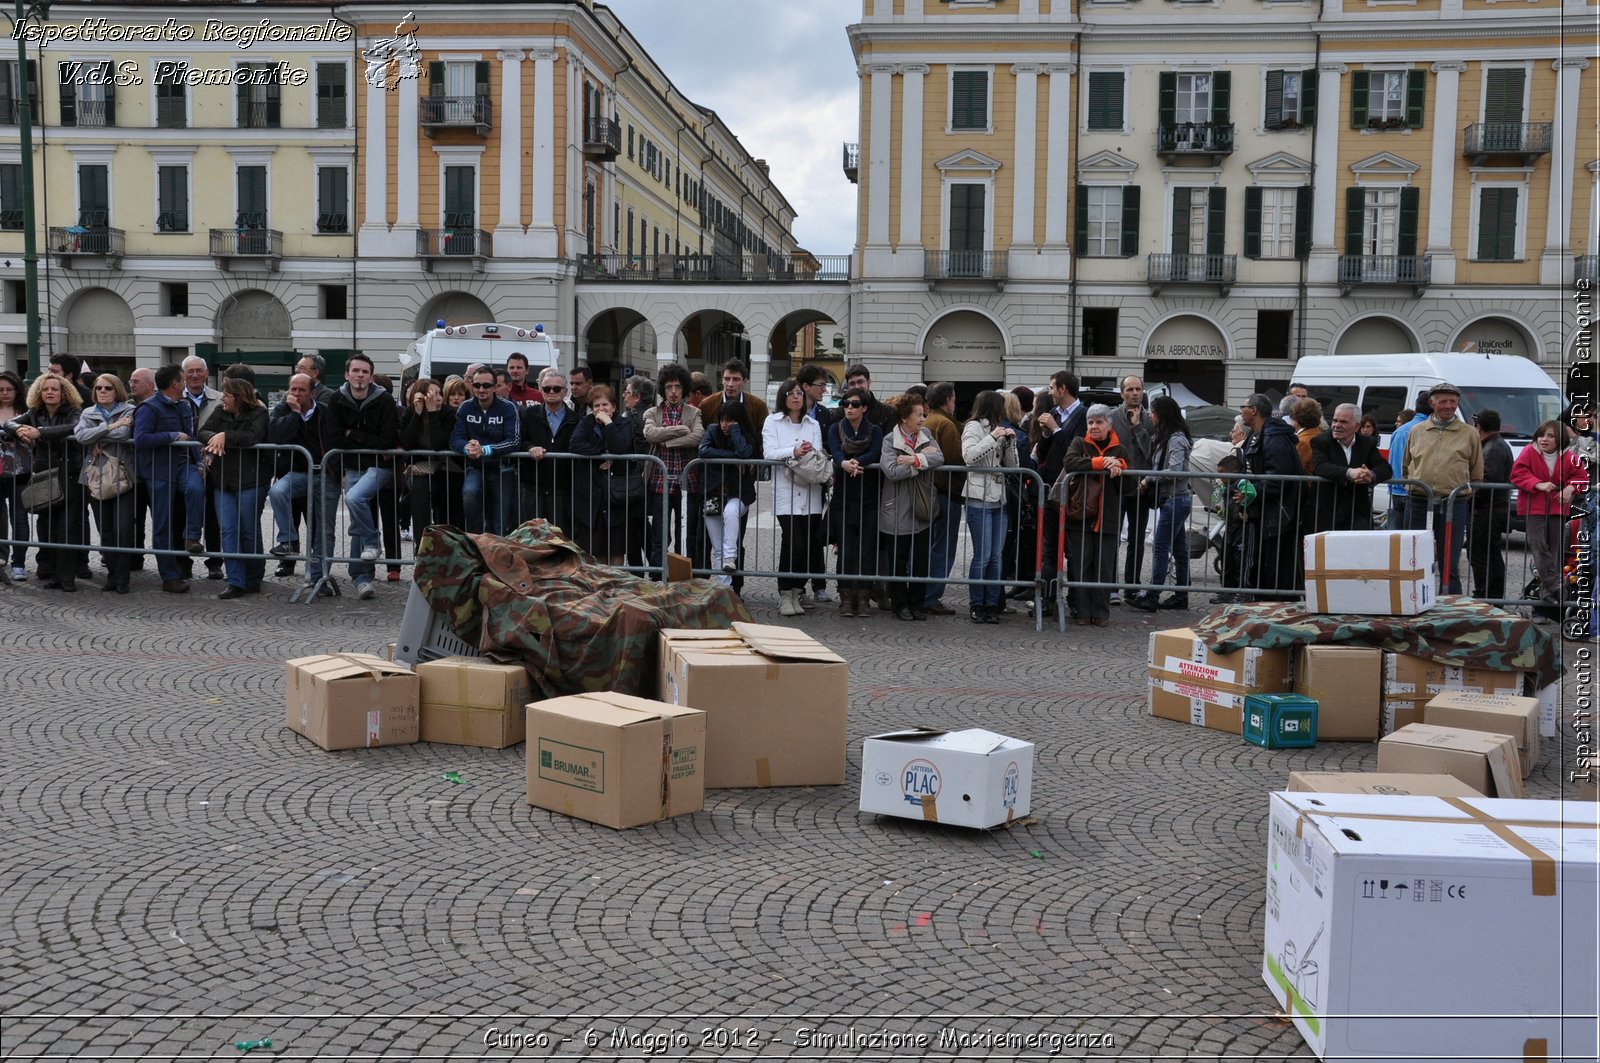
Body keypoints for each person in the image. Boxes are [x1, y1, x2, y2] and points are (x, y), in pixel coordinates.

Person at [0, 374, 84, 590]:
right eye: (45, 389)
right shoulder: (34, 413)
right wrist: (18, 429)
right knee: (48, 526)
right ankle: (55, 574)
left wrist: (40, 432)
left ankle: (67, 578)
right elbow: (9, 423)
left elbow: (74, 428)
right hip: (43, 475)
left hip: (69, 474)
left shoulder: (74, 411)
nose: (49, 392)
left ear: (63, 392)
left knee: (67, 527)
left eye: (54, 389)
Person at [328, 353, 397, 600]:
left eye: (364, 372)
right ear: (347, 375)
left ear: (370, 376)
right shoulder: (337, 400)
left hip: (379, 466)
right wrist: (366, 438)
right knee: (357, 520)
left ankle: (372, 542)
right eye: (356, 371)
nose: (360, 375)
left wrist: (353, 435)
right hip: (352, 467)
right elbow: (335, 437)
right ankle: (362, 578)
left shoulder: (384, 400)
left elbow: (386, 439)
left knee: (355, 499)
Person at [1402, 382, 1482, 595]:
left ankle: (1451, 606)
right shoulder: (1416, 431)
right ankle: (1415, 599)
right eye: (1443, 401)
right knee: (1415, 558)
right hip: (1419, 502)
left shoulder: (1469, 434)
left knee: (1450, 562)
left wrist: (1463, 492)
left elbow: (1476, 471)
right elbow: (1406, 466)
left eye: (1452, 402)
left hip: (1453, 504)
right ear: (1432, 403)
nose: (1448, 406)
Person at [133, 365, 207, 594]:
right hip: (158, 471)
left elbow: (190, 436)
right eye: (183, 379)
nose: (186, 382)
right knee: (162, 525)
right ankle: (170, 576)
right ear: (175, 383)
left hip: (182, 465)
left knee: (196, 488)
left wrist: (198, 462)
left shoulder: (183, 405)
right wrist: (172, 436)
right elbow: (141, 438)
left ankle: (192, 537)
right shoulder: (148, 407)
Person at [698, 360, 768, 589]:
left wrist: (744, 458)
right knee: (714, 541)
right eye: (727, 378)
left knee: (735, 529)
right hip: (713, 484)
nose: (730, 383)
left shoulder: (756, 405)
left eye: (736, 379)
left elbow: (754, 444)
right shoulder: (709, 404)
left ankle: (734, 586)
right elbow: (704, 446)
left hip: (739, 486)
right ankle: (722, 587)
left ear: (744, 381)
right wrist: (731, 455)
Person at [199, 378, 269, 599]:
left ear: (239, 397)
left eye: (227, 395)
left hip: (251, 479)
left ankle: (254, 577)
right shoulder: (220, 411)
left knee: (249, 530)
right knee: (228, 530)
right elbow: (203, 431)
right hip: (222, 481)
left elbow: (253, 436)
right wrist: (214, 438)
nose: (222, 398)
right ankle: (235, 580)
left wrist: (225, 436)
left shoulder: (259, 412)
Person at [1059, 404, 1129, 627]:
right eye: (1091, 422)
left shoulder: (1120, 450)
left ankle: (1101, 613)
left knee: (1104, 567)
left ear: (1109, 425)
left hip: (1108, 518)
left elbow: (1130, 486)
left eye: (1099, 422)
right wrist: (1101, 463)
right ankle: (1081, 611)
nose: (1094, 426)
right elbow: (1070, 463)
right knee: (1081, 565)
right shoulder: (1079, 443)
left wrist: (1121, 467)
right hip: (1080, 517)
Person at [763, 378, 827, 617]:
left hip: (810, 491)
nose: (796, 396)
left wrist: (810, 450)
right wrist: (794, 451)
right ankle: (785, 592)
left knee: (809, 546)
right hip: (786, 492)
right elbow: (769, 452)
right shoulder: (773, 421)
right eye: (790, 393)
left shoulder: (813, 423)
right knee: (793, 544)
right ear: (783, 397)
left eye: (799, 392)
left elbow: (819, 453)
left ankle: (798, 590)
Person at [1511, 420, 1587, 616]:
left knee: (1554, 549)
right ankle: (1555, 584)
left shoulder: (1569, 456)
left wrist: (1571, 488)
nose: (1544, 439)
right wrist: (1538, 484)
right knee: (1538, 545)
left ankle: (1547, 593)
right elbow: (1517, 474)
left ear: (1559, 439)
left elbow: (1582, 477)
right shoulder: (1529, 451)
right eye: (1542, 435)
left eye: (1550, 436)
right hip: (1533, 506)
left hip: (1557, 508)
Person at [879, 392, 944, 622]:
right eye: (918, 414)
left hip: (921, 507)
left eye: (923, 414)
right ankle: (900, 604)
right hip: (896, 508)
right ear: (905, 418)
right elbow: (892, 471)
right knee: (898, 560)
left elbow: (939, 458)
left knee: (920, 560)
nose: (923, 418)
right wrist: (920, 462)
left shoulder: (926, 434)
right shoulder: (890, 440)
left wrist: (912, 459)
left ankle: (917, 603)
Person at [267, 373, 337, 585]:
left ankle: (317, 576)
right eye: (293, 389)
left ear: (312, 393)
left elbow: (335, 439)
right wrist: (295, 414)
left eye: (301, 390)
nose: (296, 394)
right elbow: (277, 437)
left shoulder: (325, 411)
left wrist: (338, 471)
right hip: (299, 473)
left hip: (326, 474)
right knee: (277, 492)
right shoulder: (283, 410)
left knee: (323, 530)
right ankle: (288, 539)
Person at [72, 374, 137, 594]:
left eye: (107, 387)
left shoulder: (128, 409)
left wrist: (100, 435)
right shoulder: (88, 412)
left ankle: (123, 578)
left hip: (123, 475)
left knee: (123, 528)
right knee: (105, 530)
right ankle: (112, 576)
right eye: (98, 388)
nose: (102, 391)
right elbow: (80, 436)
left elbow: (123, 433)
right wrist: (111, 427)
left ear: (116, 389)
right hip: (95, 476)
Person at [571, 385, 648, 566]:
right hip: (593, 495)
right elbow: (575, 445)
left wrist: (608, 423)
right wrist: (602, 453)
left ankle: (617, 586)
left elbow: (621, 446)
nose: (600, 409)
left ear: (613, 406)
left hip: (616, 496)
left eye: (605, 405)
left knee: (616, 547)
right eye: (596, 406)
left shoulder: (623, 423)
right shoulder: (586, 422)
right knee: (597, 549)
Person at [1130, 395, 1194, 612]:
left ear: (1163, 415)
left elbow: (1175, 470)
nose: (1151, 415)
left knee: (1160, 548)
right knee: (1178, 550)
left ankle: (1152, 596)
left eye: (1154, 412)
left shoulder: (1175, 439)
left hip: (1176, 499)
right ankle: (1181, 595)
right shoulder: (1166, 437)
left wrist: (1149, 478)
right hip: (1174, 499)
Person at [960, 390, 1019, 624]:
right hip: (978, 497)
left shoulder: (999, 428)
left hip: (999, 498)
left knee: (996, 557)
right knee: (982, 556)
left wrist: (1011, 444)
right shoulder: (973, 427)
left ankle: (992, 604)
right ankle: (977, 604)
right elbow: (969, 456)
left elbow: (1013, 466)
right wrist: (993, 438)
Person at [825, 385, 884, 617]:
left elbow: (877, 452)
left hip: (868, 494)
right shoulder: (835, 428)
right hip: (844, 495)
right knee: (846, 549)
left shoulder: (875, 430)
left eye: (855, 404)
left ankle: (864, 597)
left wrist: (857, 462)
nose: (849, 408)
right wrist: (844, 463)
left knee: (867, 550)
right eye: (846, 404)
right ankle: (846, 598)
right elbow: (835, 451)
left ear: (865, 408)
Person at [1238, 393, 1301, 598]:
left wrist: (1251, 495)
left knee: (1276, 570)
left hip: (1278, 515)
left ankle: (1276, 608)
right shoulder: (1256, 434)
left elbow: (1277, 478)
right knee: (1262, 567)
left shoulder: (1273, 438)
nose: (1241, 411)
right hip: (1265, 512)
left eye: (1243, 407)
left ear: (1254, 410)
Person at [642, 364, 703, 570]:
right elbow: (650, 434)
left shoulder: (694, 412)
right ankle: (659, 576)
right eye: (669, 387)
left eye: (677, 386)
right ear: (663, 389)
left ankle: (683, 577)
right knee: (660, 533)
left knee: (686, 534)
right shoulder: (653, 412)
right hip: (660, 481)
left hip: (688, 483)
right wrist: (680, 430)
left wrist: (667, 441)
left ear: (684, 388)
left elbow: (697, 437)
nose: (674, 391)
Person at [451, 366, 521, 536]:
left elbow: (514, 440)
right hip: (475, 467)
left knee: (500, 523)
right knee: (469, 494)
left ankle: (498, 558)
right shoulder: (465, 407)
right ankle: (476, 541)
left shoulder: (508, 407)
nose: (481, 389)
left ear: (495, 387)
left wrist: (486, 449)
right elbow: (455, 438)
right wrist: (467, 448)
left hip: (502, 468)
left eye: (486, 385)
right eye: (477, 385)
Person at [698, 400, 757, 586]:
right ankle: (726, 588)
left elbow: (746, 452)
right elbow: (703, 451)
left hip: (739, 493)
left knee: (731, 512)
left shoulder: (747, 435)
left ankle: (730, 557)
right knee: (717, 547)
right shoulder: (712, 430)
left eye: (730, 420)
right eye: (723, 420)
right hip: (712, 493)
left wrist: (736, 433)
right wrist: (733, 457)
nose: (725, 424)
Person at [1309, 402, 1392, 533]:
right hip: (1328, 513)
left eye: (1343, 422)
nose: (1336, 425)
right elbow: (1320, 466)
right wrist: (1349, 473)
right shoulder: (1321, 441)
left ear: (1357, 426)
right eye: (1335, 420)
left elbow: (1385, 467)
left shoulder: (1367, 443)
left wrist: (1371, 475)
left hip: (1357, 512)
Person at [920, 381, 965, 616]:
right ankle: (931, 596)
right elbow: (955, 460)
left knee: (930, 546)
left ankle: (925, 594)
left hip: (931, 492)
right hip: (946, 493)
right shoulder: (945, 424)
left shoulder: (928, 421)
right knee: (942, 549)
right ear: (948, 400)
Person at [179, 354, 225, 581]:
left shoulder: (220, 399)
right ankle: (183, 563)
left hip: (214, 465)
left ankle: (215, 562)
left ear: (206, 374)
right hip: (183, 463)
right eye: (190, 371)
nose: (195, 375)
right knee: (182, 514)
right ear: (183, 375)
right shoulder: (175, 398)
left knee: (214, 517)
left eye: (199, 370)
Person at [399, 377, 462, 540]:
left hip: (448, 468)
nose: (437, 398)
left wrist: (433, 413)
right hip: (421, 468)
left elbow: (438, 444)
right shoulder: (411, 412)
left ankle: (448, 546)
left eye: (439, 393)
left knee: (448, 504)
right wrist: (417, 414)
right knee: (420, 493)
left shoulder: (449, 413)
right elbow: (406, 443)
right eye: (431, 394)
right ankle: (422, 546)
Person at [1109, 376, 1152, 604]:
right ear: (1122, 393)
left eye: (1138, 389)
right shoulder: (1112, 417)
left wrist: (1137, 427)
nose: (1135, 393)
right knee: (1113, 538)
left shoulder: (1150, 419)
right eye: (1130, 389)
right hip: (1116, 487)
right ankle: (1112, 586)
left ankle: (1132, 587)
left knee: (1137, 540)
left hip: (1140, 488)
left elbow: (1151, 454)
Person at [521, 367, 578, 538]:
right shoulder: (528, 415)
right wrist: (530, 447)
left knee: (560, 539)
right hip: (534, 488)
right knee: (532, 539)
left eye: (557, 388)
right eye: (547, 388)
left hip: (563, 490)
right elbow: (520, 441)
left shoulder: (576, 419)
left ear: (565, 392)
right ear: (541, 390)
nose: (551, 391)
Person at [795, 364, 836, 604]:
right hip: (794, 480)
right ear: (806, 386)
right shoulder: (793, 411)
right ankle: (796, 584)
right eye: (821, 385)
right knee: (796, 535)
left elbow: (828, 444)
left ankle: (818, 583)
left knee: (814, 531)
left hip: (816, 479)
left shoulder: (824, 414)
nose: (824, 390)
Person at [1468, 409, 1513, 600]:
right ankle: (1489, 594)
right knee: (1486, 552)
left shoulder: (1493, 448)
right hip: (1489, 508)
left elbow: (1487, 481)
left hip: (1487, 509)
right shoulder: (1494, 445)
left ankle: (1486, 595)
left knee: (1482, 553)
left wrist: (1467, 496)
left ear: (1479, 427)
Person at [0, 370, 31, 581]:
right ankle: (1, 560)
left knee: (19, 519)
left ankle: (18, 563)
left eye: (9, 389)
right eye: (1, 390)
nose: (4, 393)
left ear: (17, 390)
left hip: (22, 472)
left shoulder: (26, 410)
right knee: (0, 520)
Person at [1387, 391, 1432, 530]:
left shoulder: (1402, 430)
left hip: (1398, 489)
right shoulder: (1425, 430)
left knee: (1398, 538)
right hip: (1412, 492)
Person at [842, 364, 897, 433]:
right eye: (852, 383)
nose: (857, 387)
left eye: (860, 382)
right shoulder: (840, 413)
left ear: (869, 382)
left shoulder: (887, 412)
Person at [1292, 398, 1324, 474]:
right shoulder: (1320, 435)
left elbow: (1296, 468)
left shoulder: (1302, 442)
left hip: (1307, 484)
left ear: (1297, 418)